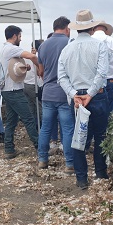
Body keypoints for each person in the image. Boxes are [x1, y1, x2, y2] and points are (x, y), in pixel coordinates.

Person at [58, 10, 109, 190]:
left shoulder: (66, 49)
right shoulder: (99, 46)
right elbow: (102, 72)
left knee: (79, 137)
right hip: (96, 95)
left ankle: (81, 179)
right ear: (92, 27)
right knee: (100, 135)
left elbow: (61, 77)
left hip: (77, 98)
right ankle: (101, 173)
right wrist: (91, 93)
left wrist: (74, 94)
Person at [36, 16, 74, 173]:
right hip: (64, 93)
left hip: (47, 92)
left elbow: (41, 72)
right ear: (67, 28)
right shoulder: (69, 44)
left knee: (45, 128)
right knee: (67, 128)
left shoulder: (43, 46)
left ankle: (42, 160)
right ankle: (70, 163)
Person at [0, 25, 39, 159]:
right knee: (29, 118)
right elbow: (29, 56)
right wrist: (38, 62)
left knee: (11, 120)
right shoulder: (12, 48)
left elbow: (14, 67)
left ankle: (9, 149)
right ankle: (40, 147)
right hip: (14, 91)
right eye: (20, 36)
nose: (21, 39)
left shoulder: (5, 48)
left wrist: (24, 67)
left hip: (7, 90)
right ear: (15, 36)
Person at [91, 21, 113, 112]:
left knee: (93, 111)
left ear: (93, 29)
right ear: (106, 30)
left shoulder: (90, 40)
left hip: (92, 81)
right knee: (109, 111)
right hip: (110, 80)